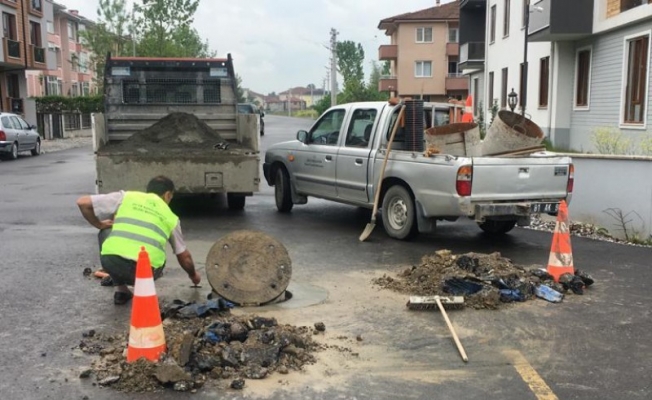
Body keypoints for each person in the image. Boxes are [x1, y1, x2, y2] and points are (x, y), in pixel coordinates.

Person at [76, 176, 201, 305]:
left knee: (106, 231)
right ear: (167, 195)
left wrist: (99, 224)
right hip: (146, 272)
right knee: (158, 251)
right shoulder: (171, 218)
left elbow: (82, 202)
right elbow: (184, 256)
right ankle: (144, 292)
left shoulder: (127, 197)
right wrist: (194, 276)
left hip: (112, 264)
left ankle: (121, 290)